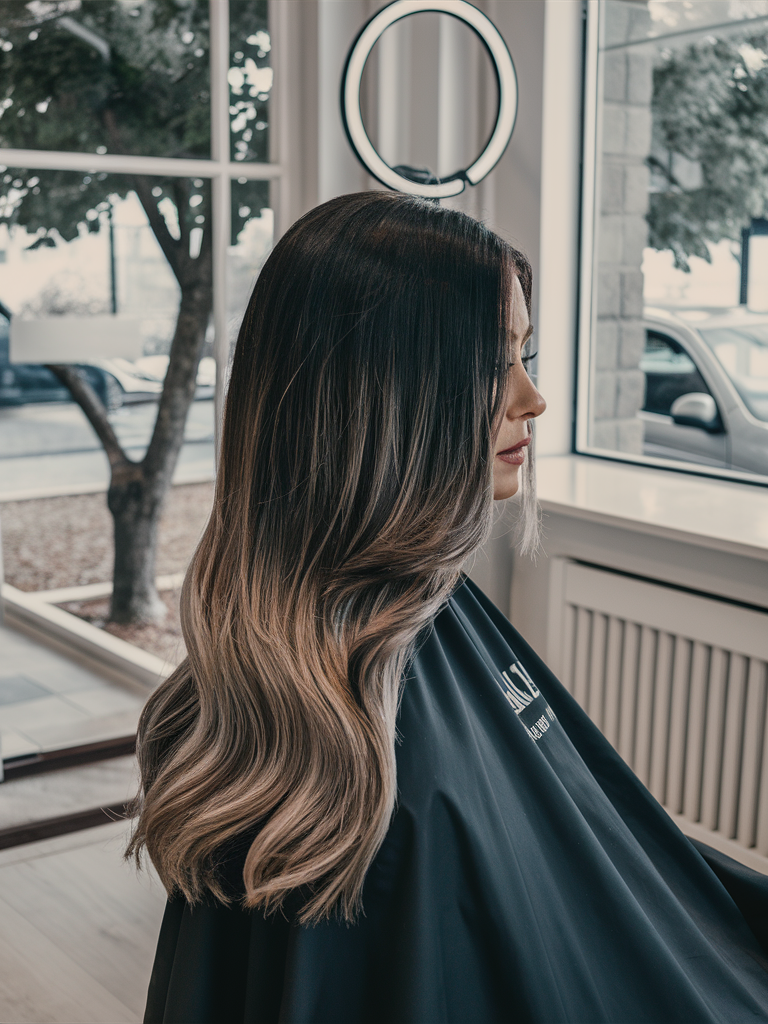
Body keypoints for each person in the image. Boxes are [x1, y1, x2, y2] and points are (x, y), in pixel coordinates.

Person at [127, 191, 768, 1024]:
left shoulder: (424, 608)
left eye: (525, 355)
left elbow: (617, 857)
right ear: (380, 394)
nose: (531, 399)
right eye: (492, 363)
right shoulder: (352, 763)